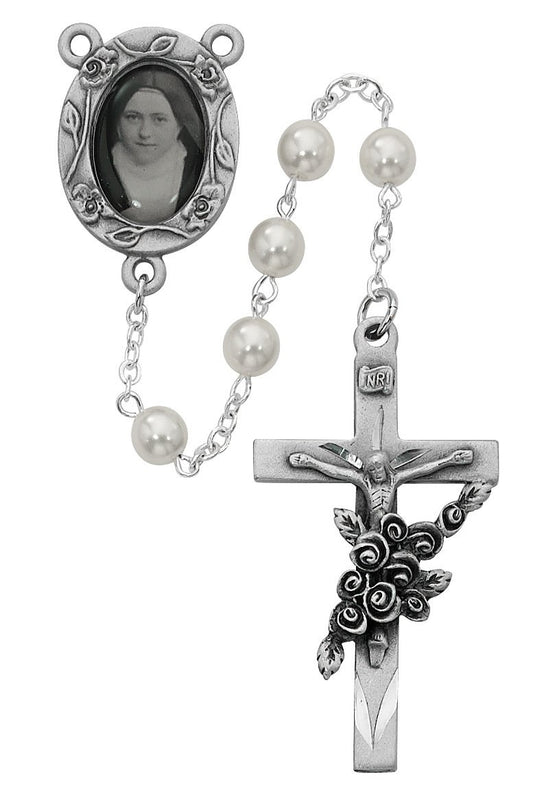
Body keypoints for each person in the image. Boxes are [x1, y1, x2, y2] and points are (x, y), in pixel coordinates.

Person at [96, 67, 204, 224]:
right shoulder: (102, 168)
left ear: (179, 126)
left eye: (159, 119)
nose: (145, 133)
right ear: (117, 124)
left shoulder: (194, 169)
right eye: (133, 117)